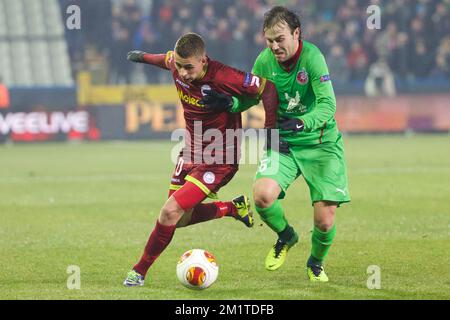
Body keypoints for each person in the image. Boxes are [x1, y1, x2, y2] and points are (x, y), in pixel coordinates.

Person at [202, 6, 350, 282]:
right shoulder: (264, 62)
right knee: (262, 195)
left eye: (280, 39)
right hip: (283, 142)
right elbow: (251, 97)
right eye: (269, 40)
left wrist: (303, 122)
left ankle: (315, 263)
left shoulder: (313, 58)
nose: (274, 46)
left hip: (321, 143)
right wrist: (230, 102)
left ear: (296, 33)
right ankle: (286, 236)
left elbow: (329, 104)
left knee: (324, 220)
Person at [123, 32, 280, 286]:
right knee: (180, 218)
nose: (183, 73)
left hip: (218, 159)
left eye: (189, 67)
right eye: (180, 66)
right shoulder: (177, 64)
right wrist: (142, 57)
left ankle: (138, 272)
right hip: (190, 151)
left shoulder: (223, 76)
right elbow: (164, 59)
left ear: (203, 61)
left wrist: (271, 130)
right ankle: (231, 208)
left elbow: (267, 88)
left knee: (169, 212)